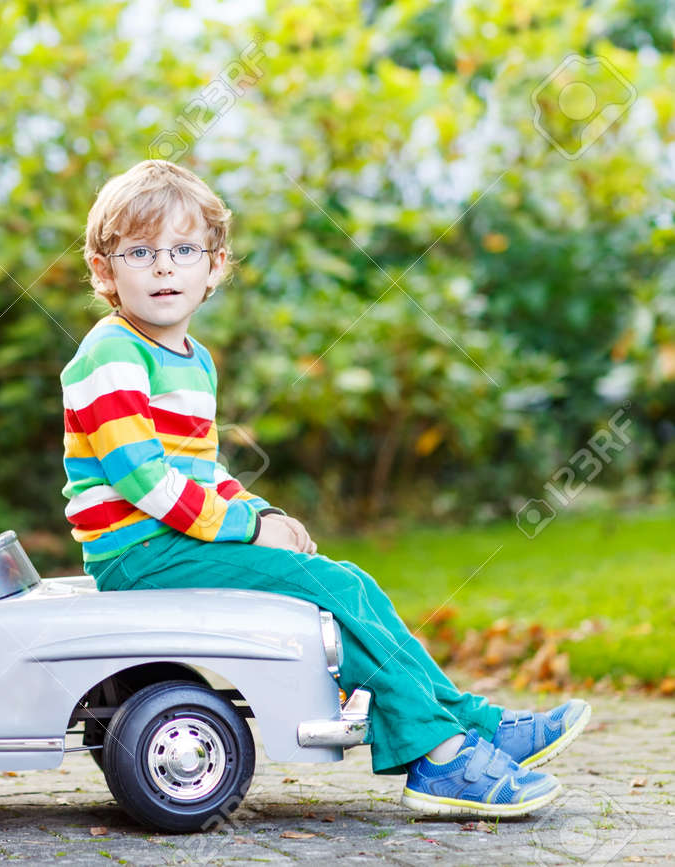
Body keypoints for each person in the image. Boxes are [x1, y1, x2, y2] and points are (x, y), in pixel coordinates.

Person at [61, 160, 589, 817]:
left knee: (350, 583)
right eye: (140, 252)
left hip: (177, 541)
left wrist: (261, 512)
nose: (164, 267)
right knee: (332, 590)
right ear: (105, 270)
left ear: (215, 266)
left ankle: (469, 720)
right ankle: (442, 758)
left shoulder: (192, 358)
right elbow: (145, 480)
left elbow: (201, 468)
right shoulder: (111, 354)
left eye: (183, 250)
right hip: (140, 553)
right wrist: (250, 529)